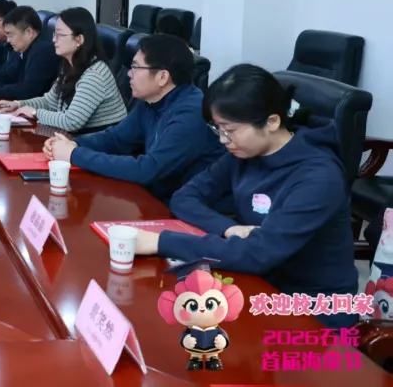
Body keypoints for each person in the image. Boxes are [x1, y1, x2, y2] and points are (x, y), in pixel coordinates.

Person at [134, 64, 359, 328]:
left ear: (272, 122)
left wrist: (161, 242)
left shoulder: (318, 177)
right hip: (257, 282)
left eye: (229, 129)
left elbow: (258, 253)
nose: (223, 140)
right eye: (217, 129)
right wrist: (228, 229)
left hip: (312, 308)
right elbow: (185, 197)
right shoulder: (244, 152)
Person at [42, 34, 222, 204]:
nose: (129, 73)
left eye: (136, 67)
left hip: (187, 207)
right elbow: (116, 139)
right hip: (157, 197)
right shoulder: (152, 102)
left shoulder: (191, 113)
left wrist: (75, 155)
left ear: (162, 77)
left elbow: (148, 169)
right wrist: (72, 144)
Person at [0, 7, 127, 133]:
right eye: (54, 34)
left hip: (101, 145)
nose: (54, 40)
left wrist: (34, 113)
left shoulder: (94, 75)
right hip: (79, 139)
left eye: (60, 35)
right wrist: (18, 104)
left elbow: (71, 121)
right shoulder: (69, 66)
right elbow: (50, 102)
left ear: (79, 39)